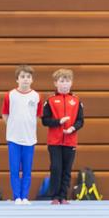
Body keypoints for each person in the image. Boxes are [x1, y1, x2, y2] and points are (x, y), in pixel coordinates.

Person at [42, 69, 84, 205]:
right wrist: (58, 121)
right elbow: (45, 120)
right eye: (61, 81)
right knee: (56, 168)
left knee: (67, 169)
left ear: (71, 83)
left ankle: (63, 196)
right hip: (54, 141)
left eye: (67, 81)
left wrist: (73, 128)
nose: (64, 84)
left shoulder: (76, 101)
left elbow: (80, 120)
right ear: (56, 83)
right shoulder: (50, 101)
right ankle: (54, 196)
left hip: (70, 141)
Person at [2, 65, 42, 205]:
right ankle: (17, 197)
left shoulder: (36, 96)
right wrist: (14, 127)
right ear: (17, 79)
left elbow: (37, 116)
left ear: (32, 80)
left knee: (27, 170)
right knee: (14, 169)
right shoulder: (10, 95)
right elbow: (5, 114)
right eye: (22, 77)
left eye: (28, 77)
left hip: (29, 139)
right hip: (13, 138)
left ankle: (25, 196)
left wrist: (28, 127)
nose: (25, 80)